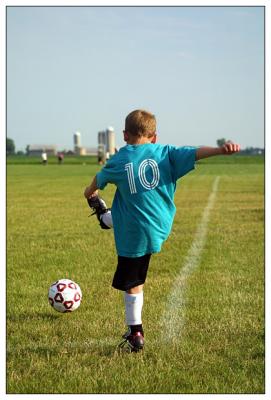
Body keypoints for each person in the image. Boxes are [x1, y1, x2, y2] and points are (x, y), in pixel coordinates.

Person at [84, 109, 240, 352]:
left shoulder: (119, 159)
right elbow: (196, 152)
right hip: (159, 225)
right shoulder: (166, 153)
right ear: (154, 137)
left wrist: (89, 193)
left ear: (124, 135)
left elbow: (98, 178)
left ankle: (136, 332)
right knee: (125, 205)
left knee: (133, 283)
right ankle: (106, 218)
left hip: (135, 233)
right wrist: (221, 149)